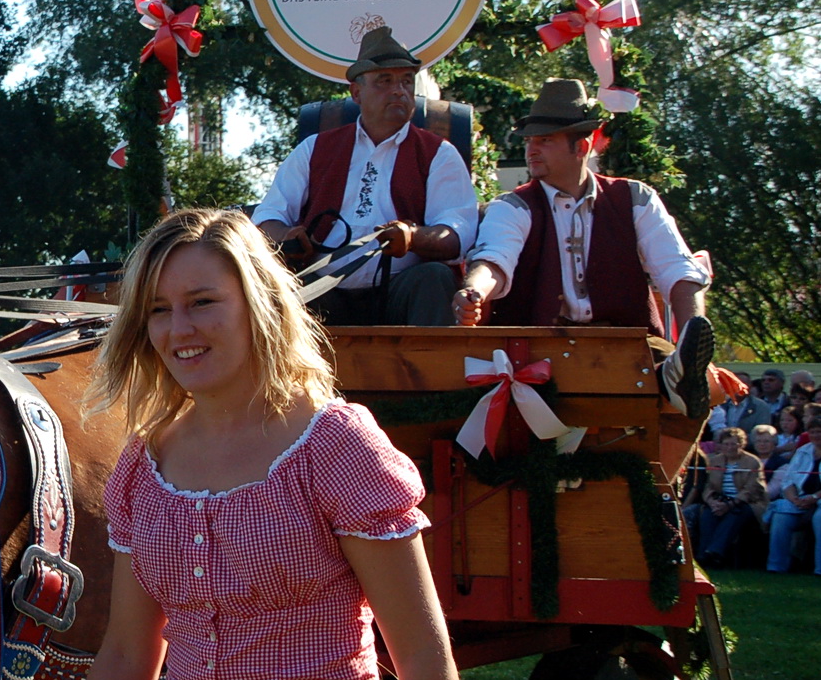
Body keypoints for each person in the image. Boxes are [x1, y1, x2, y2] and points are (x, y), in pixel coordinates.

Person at [17, 208, 464, 680]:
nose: (180, 329)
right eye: (158, 310)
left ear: (258, 304)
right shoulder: (145, 468)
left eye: (202, 302)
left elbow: (420, 651)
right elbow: (127, 651)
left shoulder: (333, 446)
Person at [450, 80, 714, 419]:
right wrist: (474, 291)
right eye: (530, 140)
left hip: (628, 347)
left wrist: (692, 340)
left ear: (582, 146)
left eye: (545, 140)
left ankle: (681, 373)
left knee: (704, 391)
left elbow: (677, 269)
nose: (531, 150)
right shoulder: (513, 206)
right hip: (537, 352)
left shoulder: (636, 199)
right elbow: (494, 259)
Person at [254, 26, 478, 327]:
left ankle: (431, 371)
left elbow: (457, 234)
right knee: (285, 289)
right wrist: (285, 235)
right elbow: (267, 217)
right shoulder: (314, 148)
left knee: (434, 278)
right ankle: (287, 375)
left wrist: (412, 238)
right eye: (385, 81)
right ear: (356, 93)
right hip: (324, 287)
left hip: (402, 288)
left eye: (406, 81)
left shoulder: (439, 153)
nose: (399, 90)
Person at [691, 427, 767, 567]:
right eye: (726, 444)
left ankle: (715, 552)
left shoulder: (752, 462)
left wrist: (731, 504)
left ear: (741, 444)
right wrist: (712, 502)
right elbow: (708, 486)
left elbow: (752, 489)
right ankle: (703, 556)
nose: (729, 447)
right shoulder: (714, 461)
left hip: (746, 503)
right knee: (707, 515)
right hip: (719, 501)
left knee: (735, 515)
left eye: (734, 444)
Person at [765, 418, 821, 574]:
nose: (816, 435)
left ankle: (819, 568)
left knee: (820, 518)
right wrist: (794, 499)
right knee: (781, 516)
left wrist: (815, 498)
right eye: (813, 432)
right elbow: (788, 480)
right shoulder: (803, 451)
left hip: (818, 500)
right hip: (800, 498)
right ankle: (776, 566)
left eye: (819, 431)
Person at [709, 379, 774, 439]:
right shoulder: (720, 405)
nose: (738, 387)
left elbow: (761, 434)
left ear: (749, 387)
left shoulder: (760, 406)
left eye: (742, 384)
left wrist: (738, 441)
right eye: (734, 384)